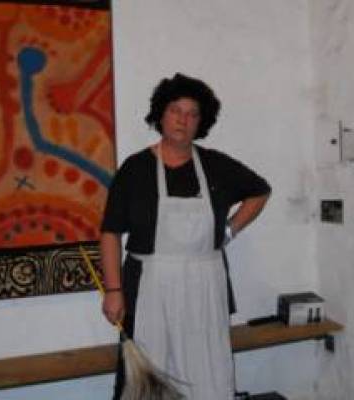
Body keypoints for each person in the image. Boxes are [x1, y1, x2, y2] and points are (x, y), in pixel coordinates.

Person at [100, 73, 271, 400]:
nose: (183, 120)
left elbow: (260, 191)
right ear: (161, 115)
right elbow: (110, 232)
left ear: (201, 122)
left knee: (207, 370)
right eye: (176, 110)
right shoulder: (135, 169)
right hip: (148, 288)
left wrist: (228, 231)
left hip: (204, 287)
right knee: (146, 382)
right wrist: (113, 290)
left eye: (193, 114)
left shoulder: (216, 165)